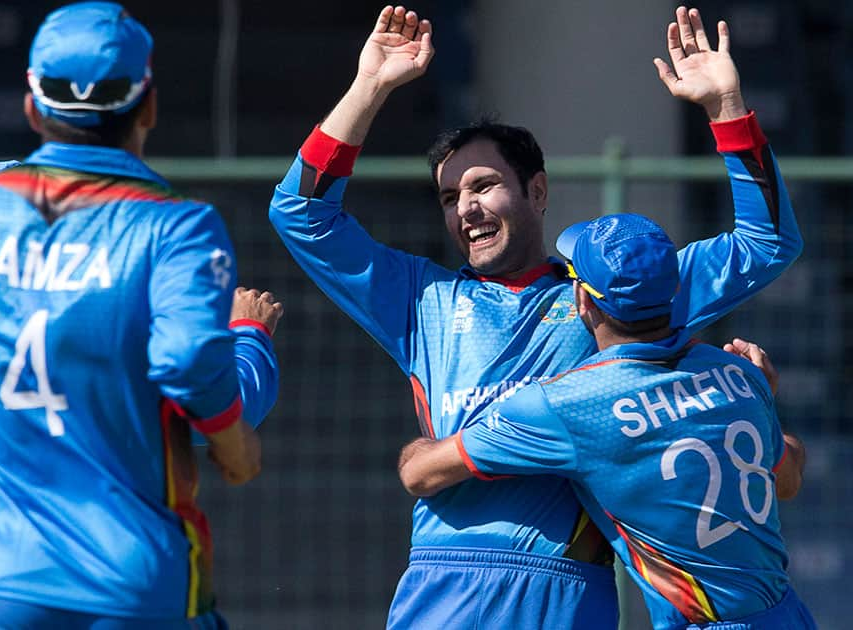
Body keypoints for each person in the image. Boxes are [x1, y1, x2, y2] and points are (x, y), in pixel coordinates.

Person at [268, 5, 802, 628]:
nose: (465, 208)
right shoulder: (420, 300)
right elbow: (299, 214)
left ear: (537, 192)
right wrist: (370, 87)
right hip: (445, 586)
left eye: (483, 185)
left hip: (568, 588)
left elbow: (767, 242)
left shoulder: (614, 295)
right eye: (450, 196)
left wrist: (725, 105)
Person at [0, 2, 277, 627]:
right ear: (147, 106)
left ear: (33, 107)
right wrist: (249, 357)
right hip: (129, 582)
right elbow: (194, 377)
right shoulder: (176, 226)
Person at [398, 213, 815, 630]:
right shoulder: (739, 375)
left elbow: (421, 474)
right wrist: (762, 401)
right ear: (674, 290)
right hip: (789, 614)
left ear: (582, 300)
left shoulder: (569, 404)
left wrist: (416, 451)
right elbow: (789, 477)